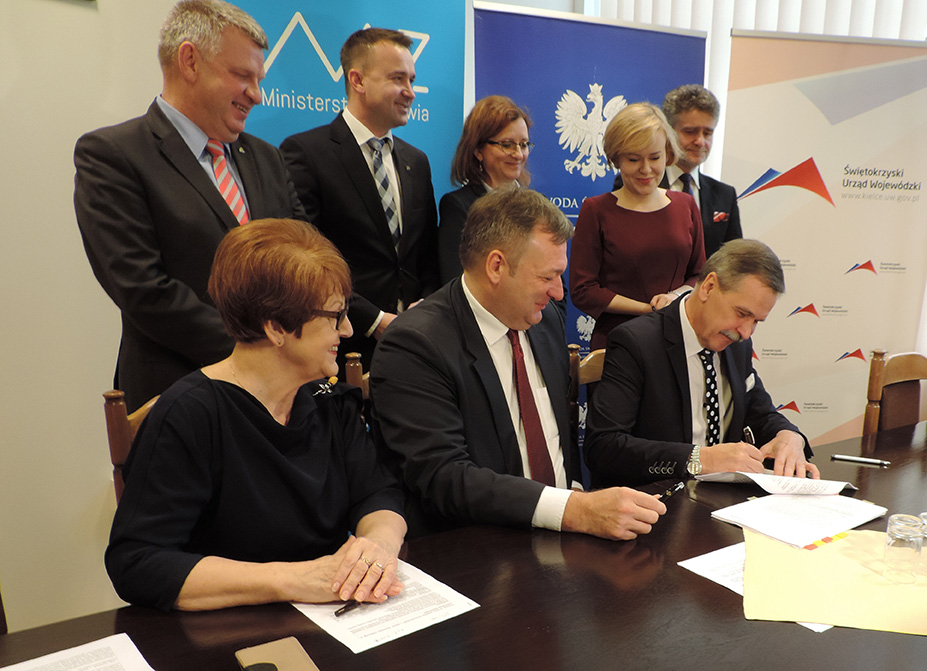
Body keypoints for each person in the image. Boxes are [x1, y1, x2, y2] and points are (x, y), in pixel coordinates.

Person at [106, 218, 407, 612]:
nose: (348, 330)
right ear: (276, 327)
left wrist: (378, 546)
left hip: (332, 616)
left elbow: (377, 492)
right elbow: (138, 563)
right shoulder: (190, 415)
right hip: (233, 628)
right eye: (335, 315)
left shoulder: (328, 398)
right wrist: (293, 580)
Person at [371, 187, 666, 540]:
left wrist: (576, 497)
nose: (559, 293)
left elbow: (558, 435)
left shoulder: (545, 319)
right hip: (477, 544)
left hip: (563, 533)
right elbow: (444, 477)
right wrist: (573, 510)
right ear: (497, 266)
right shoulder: (415, 344)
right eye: (546, 277)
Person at [74, 0, 306, 412]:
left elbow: (306, 258)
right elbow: (144, 290)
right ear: (190, 61)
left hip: (283, 398)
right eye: (243, 76)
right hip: (181, 399)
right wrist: (254, 354)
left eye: (259, 79)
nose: (257, 94)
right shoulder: (113, 155)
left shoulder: (268, 158)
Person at [585, 239, 819, 487]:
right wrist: (698, 458)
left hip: (722, 498)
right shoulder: (637, 343)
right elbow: (604, 447)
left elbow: (759, 412)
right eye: (742, 314)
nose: (746, 332)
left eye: (756, 322)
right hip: (656, 498)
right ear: (709, 287)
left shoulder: (737, 345)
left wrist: (789, 436)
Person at [281, 28, 439, 372]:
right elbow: (306, 259)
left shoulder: (417, 161)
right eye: (398, 78)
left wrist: (426, 310)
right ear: (357, 80)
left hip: (418, 348)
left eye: (412, 80)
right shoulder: (307, 153)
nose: (410, 92)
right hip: (343, 348)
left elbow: (427, 255)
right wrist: (374, 320)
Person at [570, 103, 706, 352]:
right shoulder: (596, 210)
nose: (646, 169)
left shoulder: (685, 205)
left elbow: (699, 274)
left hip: (676, 337)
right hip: (618, 342)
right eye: (634, 159)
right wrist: (648, 309)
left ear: (667, 154)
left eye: (655, 157)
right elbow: (583, 290)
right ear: (616, 158)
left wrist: (674, 297)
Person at [613, 85, 742, 258]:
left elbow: (734, 260)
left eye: (707, 133)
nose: (700, 141)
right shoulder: (639, 181)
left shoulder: (725, 195)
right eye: (690, 132)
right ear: (668, 133)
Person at [438, 95, 533, 284]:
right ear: (478, 150)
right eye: (507, 145)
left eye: (523, 144)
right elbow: (457, 282)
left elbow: (556, 287)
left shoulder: (539, 207)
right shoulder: (459, 207)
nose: (518, 154)